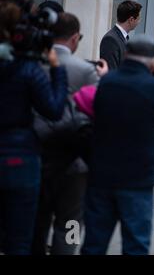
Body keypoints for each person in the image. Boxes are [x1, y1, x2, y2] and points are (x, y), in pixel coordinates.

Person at [81, 35, 154, 255]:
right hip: (137, 179)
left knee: (94, 243)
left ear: (126, 55)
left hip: (101, 175)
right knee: (136, 244)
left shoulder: (107, 82)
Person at [31, 13, 108, 255]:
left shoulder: (33, 63)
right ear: (75, 38)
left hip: (36, 155)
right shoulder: (85, 70)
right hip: (75, 162)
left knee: (37, 220)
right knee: (72, 221)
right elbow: (98, 112)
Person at [0, 0, 67, 255]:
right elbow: (54, 109)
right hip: (20, 158)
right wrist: (56, 68)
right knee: (19, 241)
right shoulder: (28, 69)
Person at [100, 0, 142, 70]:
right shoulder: (110, 40)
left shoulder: (125, 38)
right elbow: (111, 72)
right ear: (131, 20)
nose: (139, 22)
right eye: (138, 19)